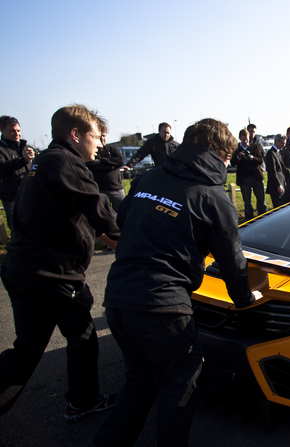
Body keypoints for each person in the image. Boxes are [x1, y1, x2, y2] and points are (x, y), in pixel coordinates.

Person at [94, 118, 259, 447]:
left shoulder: (148, 177)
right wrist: (244, 299)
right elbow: (232, 260)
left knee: (139, 383)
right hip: (163, 308)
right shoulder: (212, 195)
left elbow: (124, 222)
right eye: (227, 157)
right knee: (179, 387)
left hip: (118, 299)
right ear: (218, 153)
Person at [0, 104, 120, 420]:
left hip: (21, 267)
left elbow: (86, 224)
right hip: (53, 274)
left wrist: (111, 239)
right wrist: (141, 240)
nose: (99, 144)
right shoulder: (68, 162)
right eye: (95, 136)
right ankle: (83, 400)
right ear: (75, 134)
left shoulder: (43, 161)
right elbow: (103, 217)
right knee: (82, 335)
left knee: (26, 350)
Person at [0, 116, 34, 231]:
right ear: (2, 131)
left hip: (29, 195)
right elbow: (2, 168)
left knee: (34, 227)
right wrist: (22, 160)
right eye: (12, 131)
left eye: (18, 130)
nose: (17, 134)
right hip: (11, 197)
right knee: (17, 230)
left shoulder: (25, 147)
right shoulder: (1, 149)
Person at [231, 128, 267, 221]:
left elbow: (260, 160)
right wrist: (239, 156)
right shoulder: (236, 149)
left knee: (261, 201)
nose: (245, 141)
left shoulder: (254, 147)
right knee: (247, 202)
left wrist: (251, 157)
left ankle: (263, 218)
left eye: (247, 139)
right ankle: (249, 220)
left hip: (256, 177)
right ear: (240, 138)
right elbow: (233, 162)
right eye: (243, 140)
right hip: (244, 179)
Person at [86, 132, 125, 212]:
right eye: (99, 136)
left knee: (123, 213)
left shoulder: (112, 148)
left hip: (116, 188)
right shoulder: (92, 151)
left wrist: (101, 161)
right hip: (100, 189)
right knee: (104, 215)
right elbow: (91, 164)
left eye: (103, 136)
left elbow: (120, 161)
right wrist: (111, 165)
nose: (102, 138)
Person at [265, 134, 287, 207]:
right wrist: (278, 185)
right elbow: (272, 171)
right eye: (282, 143)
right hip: (276, 186)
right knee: (278, 206)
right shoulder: (271, 153)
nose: (283, 145)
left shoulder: (278, 152)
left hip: (281, 183)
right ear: (276, 141)